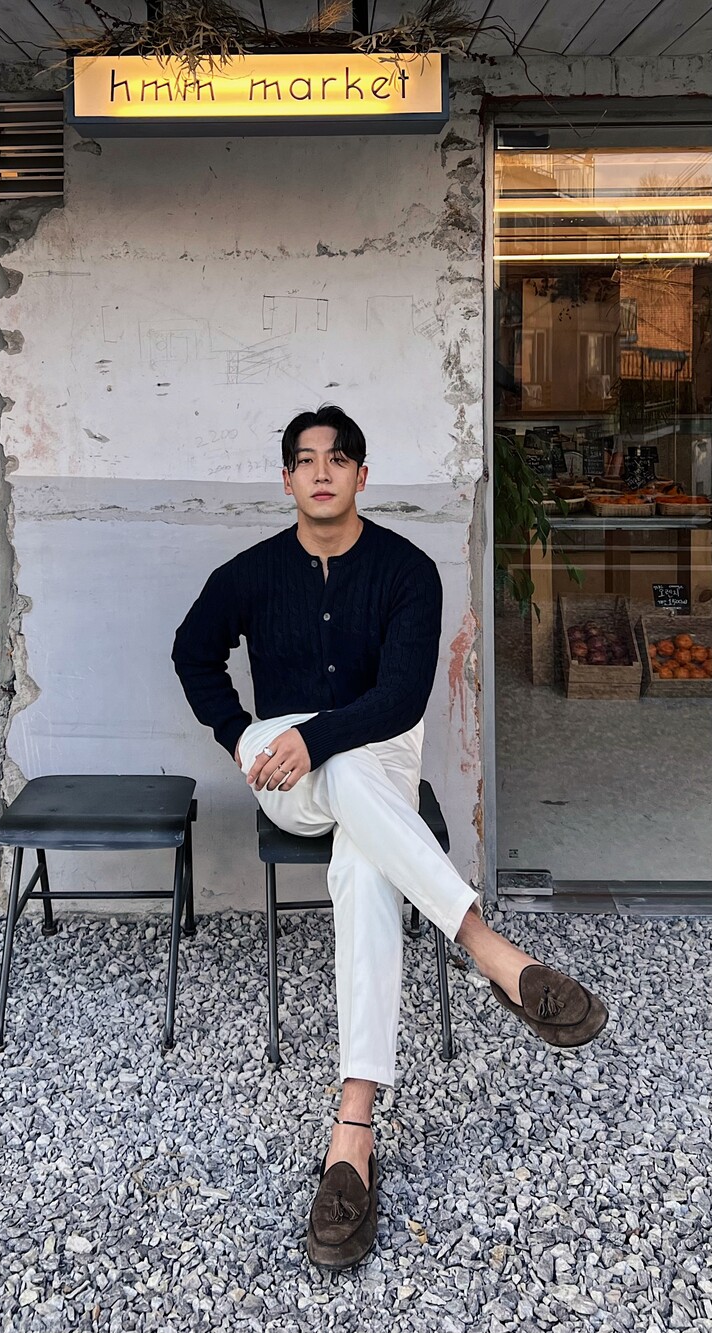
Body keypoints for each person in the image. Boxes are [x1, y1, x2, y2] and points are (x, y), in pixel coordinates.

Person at [171, 404, 608, 1273]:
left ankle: (353, 1132)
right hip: (283, 766)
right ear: (287, 479)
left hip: (376, 756)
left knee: (363, 863)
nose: (321, 471)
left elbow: (402, 698)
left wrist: (321, 739)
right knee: (334, 774)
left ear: (362, 475)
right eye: (306, 460)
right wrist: (239, 735)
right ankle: (489, 950)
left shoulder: (408, 569)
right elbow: (193, 652)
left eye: (339, 458)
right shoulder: (250, 573)